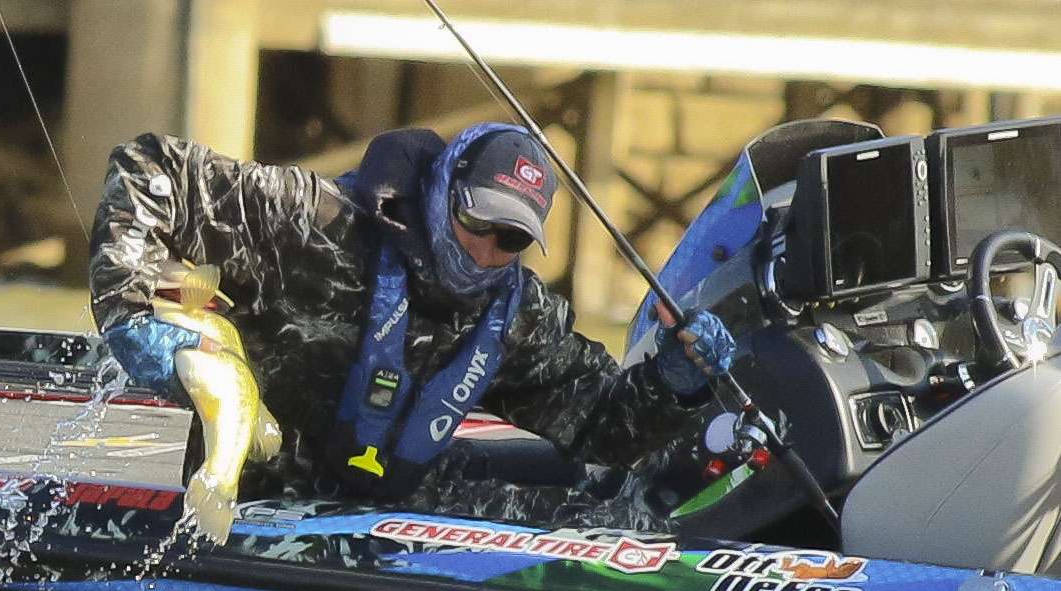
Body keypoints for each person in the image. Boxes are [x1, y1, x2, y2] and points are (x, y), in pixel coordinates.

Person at [88, 123, 735, 535]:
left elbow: (604, 426)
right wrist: (130, 310)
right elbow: (150, 170)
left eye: (510, 239)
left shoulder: (518, 313)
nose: (485, 250)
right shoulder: (318, 225)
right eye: (477, 221)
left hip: (405, 509)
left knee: (630, 525)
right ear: (444, 188)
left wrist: (676, 383)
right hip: (259, 502)